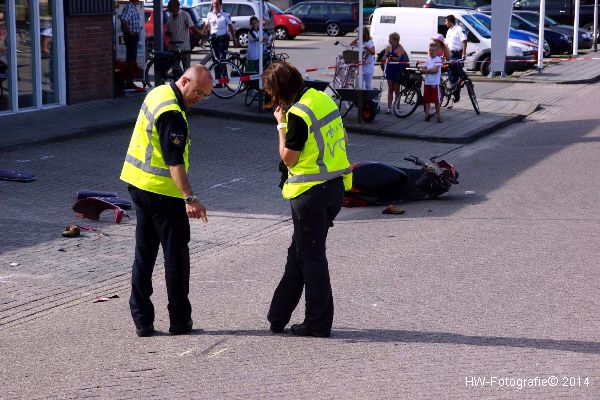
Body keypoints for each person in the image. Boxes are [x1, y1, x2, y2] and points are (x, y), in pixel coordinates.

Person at [120, 65, 213, 338]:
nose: (199, 98)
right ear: (185, 81)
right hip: (164, 193)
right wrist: (190, 198)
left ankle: (142, 321)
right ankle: (180, 321)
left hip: (138, 185)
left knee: (144, 255)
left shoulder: (158, 92)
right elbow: (174, 163)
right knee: (175, 259)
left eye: (205, 95)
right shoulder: (172, 113)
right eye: (198, 92)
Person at [263, 62, 353, 338]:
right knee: (300, 252)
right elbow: (344, 138)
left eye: (270, 91)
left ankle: (318, 322)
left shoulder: (298, 114)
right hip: (334, 189)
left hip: (309, 194)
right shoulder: (322, 99)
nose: (270, 97)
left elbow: (288, 157)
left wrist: (280, 125)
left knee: (311, 258)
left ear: (279, 90)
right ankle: (277, 316)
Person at [166, 0, 203, 70]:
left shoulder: (185, 14)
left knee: (187, 69)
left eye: (172, 8)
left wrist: (201, 34)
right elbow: (168, 32)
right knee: (175, 69)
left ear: (177, 6)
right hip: (173, 48)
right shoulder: (170, 17)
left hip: (184, 47)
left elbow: (192, 28)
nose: (171, 10)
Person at [119, 0, 143, 88]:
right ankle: (128, 82)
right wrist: (130, 31)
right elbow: (123, 19)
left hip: (133, 36)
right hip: (131, 36)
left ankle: (129, 81)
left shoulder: (132, 7)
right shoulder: (129, 7)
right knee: (131, 59)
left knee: (131, 58)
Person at [444, 15, 467, 102]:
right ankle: (454, 93)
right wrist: (444, 55)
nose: (445, 23)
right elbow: (446, 45)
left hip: (457, 54)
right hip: (450, 54)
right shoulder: (449, 31)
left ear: (450, 21)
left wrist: (464, 54)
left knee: (457, 76)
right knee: (451, 75)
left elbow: (464, 41)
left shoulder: (459, 29)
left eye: (446, 21)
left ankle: (456, 94)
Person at [381, 32, 405, 114]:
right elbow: (384, 57)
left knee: (397, 90)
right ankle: (389, 108)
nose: (389, 41)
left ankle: (397, 107)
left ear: (396, 40)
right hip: (390, 69)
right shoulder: (388, 48)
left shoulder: (400, 48)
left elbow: (398, 59)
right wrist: (386, 57)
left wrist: (390, 57)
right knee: (390, 89)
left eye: (390, 39)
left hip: (397, 70)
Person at [419, 43, 442, 123]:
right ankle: (426, 116)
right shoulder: (427, 59)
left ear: (436, 51)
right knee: (427, 100)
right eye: (430, 50)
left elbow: (435, 71)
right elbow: (422, 70)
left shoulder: (438, 59)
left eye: (433, 50)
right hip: (427, 83)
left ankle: (438, 117)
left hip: (434, 83)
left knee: (436, 100)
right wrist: (429, 70)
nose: (431, 52)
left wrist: (427, 71)